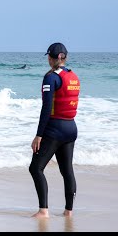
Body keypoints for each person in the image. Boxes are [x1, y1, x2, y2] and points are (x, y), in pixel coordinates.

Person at [29, 42, 80, 219]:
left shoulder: (51, 77)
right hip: (71, 128)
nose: (48, 60)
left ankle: (43, 210)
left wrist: (39, 135)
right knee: (67, 170)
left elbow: (46, 107)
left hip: (55, 129)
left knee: (35, 168)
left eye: (49, 57)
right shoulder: (73, 76)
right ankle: (69, 211)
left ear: (53, 58)